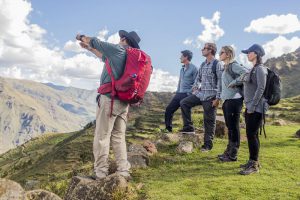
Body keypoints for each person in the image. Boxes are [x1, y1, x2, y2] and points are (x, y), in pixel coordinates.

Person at [76, 30, 141, 180]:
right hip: (124, 102)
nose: (119, 40)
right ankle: (123, 170)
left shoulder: (118, 50)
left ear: (124, 39)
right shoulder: (130, 56)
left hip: (109, 100)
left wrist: (81, 37)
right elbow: (103, 57)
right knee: (118, 136)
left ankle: (101, 172)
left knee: (102, 137)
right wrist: (89, 49)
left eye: (120, 38)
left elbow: (96, 41)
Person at [179, 43, 223, 152]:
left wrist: (218, 99)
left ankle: (207, 145)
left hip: (211, 97)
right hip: (200, 94)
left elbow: (221, 82)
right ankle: (188, 128)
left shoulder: (217, 64)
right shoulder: (203, 64)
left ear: (211, 50)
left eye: (204, 48)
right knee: (184, 103)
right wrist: (194, 88)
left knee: (208, 121)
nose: (202, 50)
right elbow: (197, 79)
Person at [239, 44, 268, 175]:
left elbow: (261, 89)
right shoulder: (253, 69)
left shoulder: (261, 69)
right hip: (251, 107)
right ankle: (252, 161)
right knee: (252, 135)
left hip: (256, 108)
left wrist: (252, 106)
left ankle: (254, 165)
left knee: (252, 135)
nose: (247, 54)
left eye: (249, 52)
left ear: (255, 53)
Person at [217, 46, 247, 162]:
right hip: (228, 100)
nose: (220, 54)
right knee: (230, 127)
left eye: (222, 52)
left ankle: (233, 155)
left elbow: (246, 73)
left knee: (233, 127)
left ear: (228, 54)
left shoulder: (233, 65)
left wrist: (235, 82)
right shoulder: (226, 67)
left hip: (235, 99)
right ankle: (229, 151)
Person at [164, 50, 198, 132]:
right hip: (179, 93)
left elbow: (196, 83)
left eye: (182, 56)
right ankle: (168, 129)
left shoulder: (194, 68)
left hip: (187, 94)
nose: (180, 57)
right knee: (169, 110)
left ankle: (188, 127)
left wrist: (189, 93)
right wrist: (177, 91)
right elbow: (180, 82)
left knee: (185, 109)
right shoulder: (182, 69)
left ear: (186, 57)